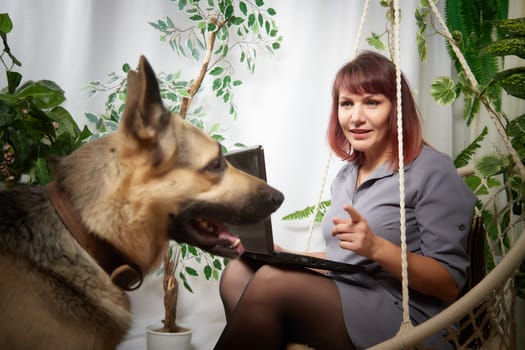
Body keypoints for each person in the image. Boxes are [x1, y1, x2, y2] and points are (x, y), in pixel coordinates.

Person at [215, 51, 477, 350]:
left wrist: (377, 247)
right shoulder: (346, 175)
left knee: (272, 282)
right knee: (238, 272)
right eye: (346, 104)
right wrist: (289, 255)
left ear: (396, 109)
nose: (356, 117)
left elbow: (448, 284)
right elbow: (348, 258)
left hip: (407, 315)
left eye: (372, 103)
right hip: (350, 292)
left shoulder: (432, 169)